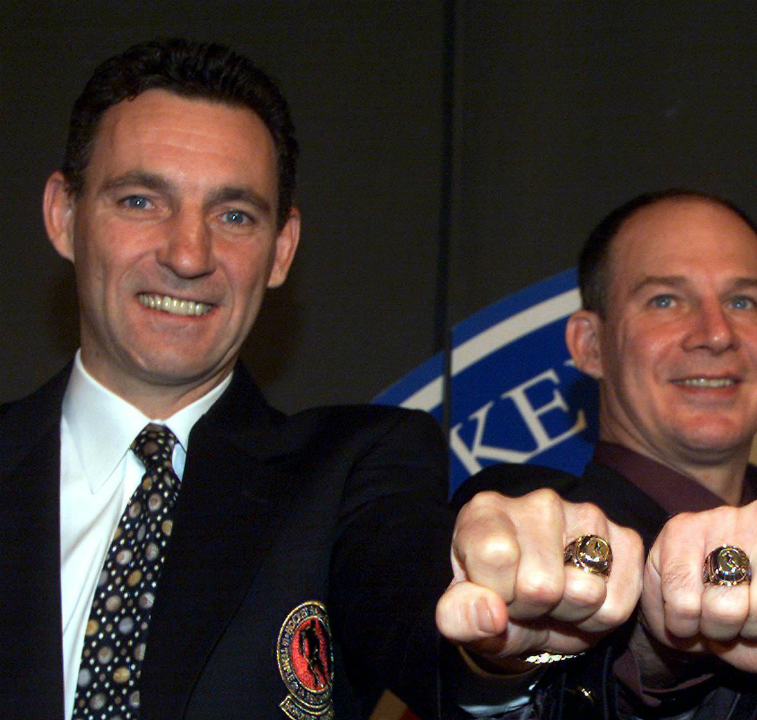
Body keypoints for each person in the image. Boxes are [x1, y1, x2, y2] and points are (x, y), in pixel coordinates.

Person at [0, 38, 456, 719]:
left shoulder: (352, 475)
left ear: (281, 250)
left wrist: (501, 645)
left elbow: (436, 640)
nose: (189, 254)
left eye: (234, 216)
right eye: (139, 201)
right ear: (64, 217)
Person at [437, 190, 757, 718]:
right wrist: (657, 657)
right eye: (666, 300)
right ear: (591, 346)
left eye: (743, 301)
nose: (716, 333)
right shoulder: (532, 548)